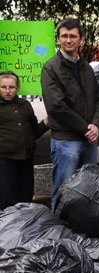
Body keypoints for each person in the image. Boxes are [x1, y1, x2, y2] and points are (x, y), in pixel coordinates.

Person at [41, 18, 99, 209]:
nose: (69, 40)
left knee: (87, 191)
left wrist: (96, 124)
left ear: (80, 39)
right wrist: (86, 128)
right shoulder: (51, 67)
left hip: (89, 140)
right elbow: (56, 107)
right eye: (64, 36)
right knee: (64, 192)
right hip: (66, 141)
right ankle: (59, 232)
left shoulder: (86, 68)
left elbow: (98, 99)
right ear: (58, 39)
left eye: (73, 36)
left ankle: (81, 233)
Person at [0, 71, 48, 210]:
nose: (8, 91)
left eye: (11, 87)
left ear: (17, 88)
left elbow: (34, 132)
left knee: (26, 198)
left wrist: (45, 123)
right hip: (4, 160)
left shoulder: (25, 104)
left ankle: (25, 228)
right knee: (7, 200)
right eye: (3, 87)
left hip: (26, 159)